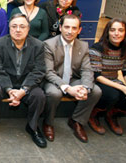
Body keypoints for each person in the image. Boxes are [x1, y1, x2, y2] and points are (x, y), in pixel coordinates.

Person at [0, 13, 47, 148]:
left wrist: (23, 90)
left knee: (39, 95)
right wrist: (10, 90)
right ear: (9, 28)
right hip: (6, 81)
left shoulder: (38, 45)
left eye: (22, 27)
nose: (18, 30)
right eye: (14, 26)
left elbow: (38, 71)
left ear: (28, 29)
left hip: (27, 82)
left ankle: (33, 127)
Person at [42, 14, 101, 143]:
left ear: (79, 30)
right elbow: (48, 72)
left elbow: (87, 70)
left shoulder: (83, 46)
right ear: (60, 28)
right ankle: (48, 123)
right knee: (53, 93)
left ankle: (77, 121)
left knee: (95, 91)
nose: (70, 31)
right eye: (66, 27)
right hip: (54, 80)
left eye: (74, 28)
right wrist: (67, 88)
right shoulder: (48, 45)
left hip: (73, 79)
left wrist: (85, 87)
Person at [88, 18, 126, 136]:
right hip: (98, 80)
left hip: (113, 80)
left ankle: (112, 115)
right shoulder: (97, 48)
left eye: (120, 30)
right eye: (113, 30)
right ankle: (93, 115)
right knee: (112, 94)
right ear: (108, 32)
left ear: (125, 33)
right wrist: (123, 88)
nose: (117, 33)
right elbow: (97, 76)